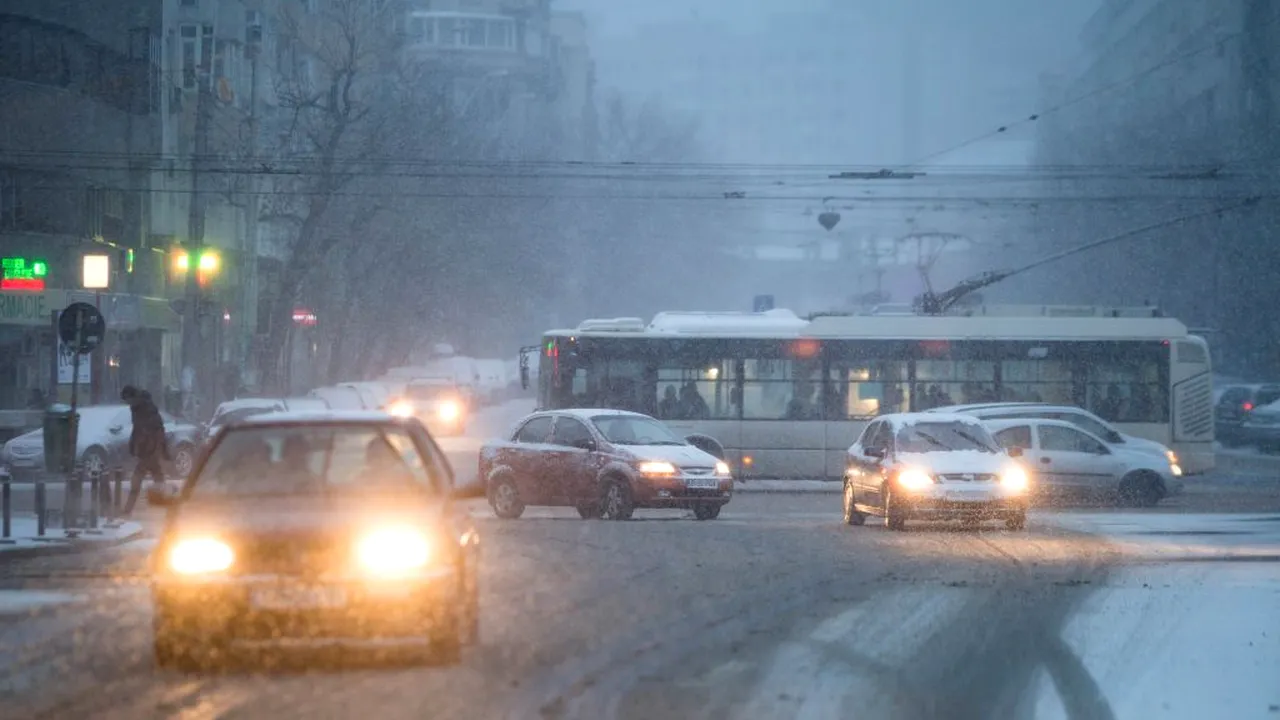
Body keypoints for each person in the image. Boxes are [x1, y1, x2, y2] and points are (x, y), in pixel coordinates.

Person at [120, 385, 169, 517]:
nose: (127, 403)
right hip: (148, 449)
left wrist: (152, 448)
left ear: (133, 397)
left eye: (128, 400)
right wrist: (134, 445)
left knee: (138, 478)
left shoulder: (146, 408)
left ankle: (127, 510)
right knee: (157, 477)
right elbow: (138, 429)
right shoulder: (137, 408)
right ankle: (168, 505)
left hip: (150, 450)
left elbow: (155, 430)